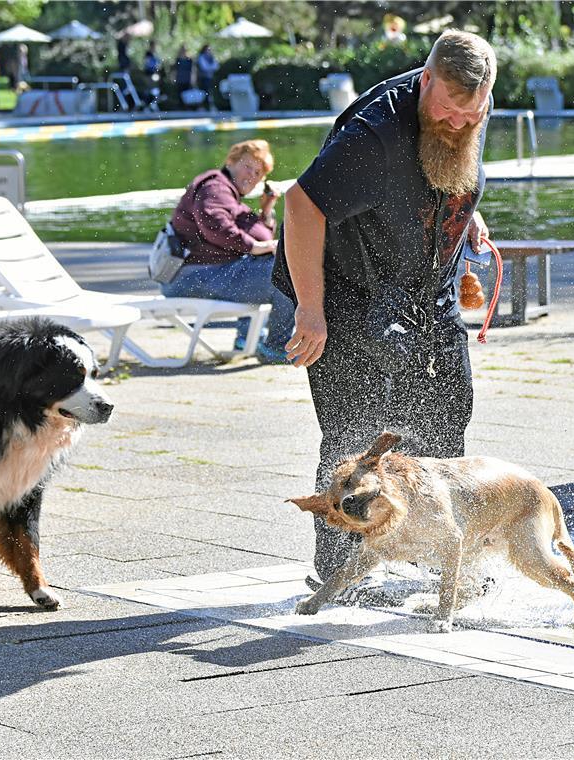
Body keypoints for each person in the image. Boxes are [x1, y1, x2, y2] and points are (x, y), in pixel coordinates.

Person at [274, 30, 496, 583]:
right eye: (446, 110)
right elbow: (300, 206)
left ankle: (432, 556)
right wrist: (310, 309)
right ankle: (339, 572)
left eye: (472, 115)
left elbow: (449, 174)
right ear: (425, 82)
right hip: (349, 294)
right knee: (357, 435)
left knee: (445, 420)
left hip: (424, 291)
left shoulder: (468, 105)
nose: (459, 123)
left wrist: (466, 218)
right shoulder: (374, 138)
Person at [162, 139, 296, 364]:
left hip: (201, 275)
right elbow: (215, 224)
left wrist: (266, 210)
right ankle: (274, 346)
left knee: (258, 265)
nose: (252, 176)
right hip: (191, 276)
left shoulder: (230, 197)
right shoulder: (216, 187)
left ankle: (246, 339)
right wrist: (257, 247)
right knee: (287, 274)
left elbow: (259, 236)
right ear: (231, 161)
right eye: (248, 166)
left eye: (258, 173)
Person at [196, 44, 218, 111]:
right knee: (204, 93)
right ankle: (203, 107)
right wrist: (211, 68)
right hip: (203, 78)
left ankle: (209, 106)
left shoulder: (211, 57)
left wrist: (210, 68)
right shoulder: (201, 57)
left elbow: (216, 66)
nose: (209, 51)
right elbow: (204, 67)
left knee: (210, 92)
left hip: (210, 78)